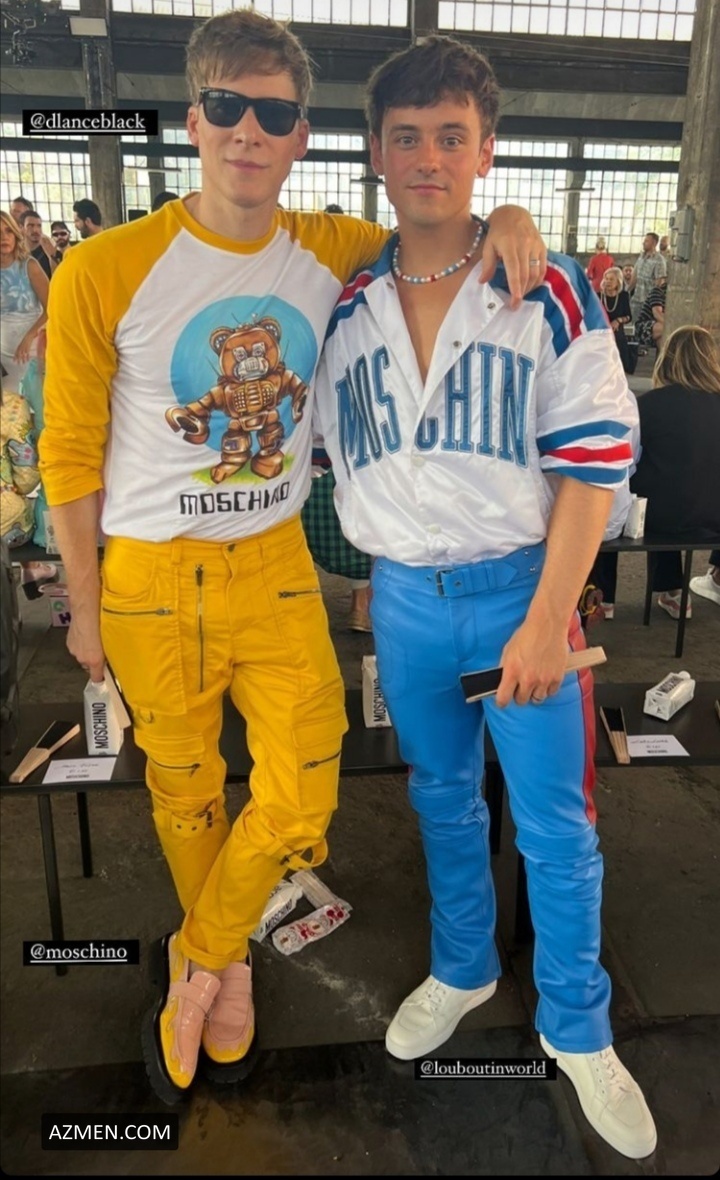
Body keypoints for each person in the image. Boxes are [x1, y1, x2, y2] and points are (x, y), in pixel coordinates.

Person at [39, 7, 548, 1108]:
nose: (249, 131)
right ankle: (227, 976)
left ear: (302, 136)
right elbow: (66, 454)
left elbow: (435, 222)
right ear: (194, 119)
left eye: (274, 114)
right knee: (184, 789)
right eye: (227, 106)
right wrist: (82, 603)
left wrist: (508, 212)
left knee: (304, 791)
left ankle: (197, 952)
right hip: (148, 578)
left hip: (273, 565)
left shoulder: (330, 248)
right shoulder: (103, 268)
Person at [314, 34, 655, 1161]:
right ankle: (462, 966)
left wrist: (549, 618)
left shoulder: (541, 284)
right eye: (406, 137)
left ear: (486, 150)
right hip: (406, 601)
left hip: (521, 587)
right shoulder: (345, 305)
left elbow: (595, 464)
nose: (428, 158)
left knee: (557, 825)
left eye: (450, 137)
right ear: (375, 152)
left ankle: (579, 1022)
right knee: (441, 799)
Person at [630, 326, 720, 620]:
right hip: (714, 516)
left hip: (660, 517)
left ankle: (605, 596)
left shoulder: (648, 405)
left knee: (644, 490)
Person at [0, 211, 56, 592]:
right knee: (9, 448)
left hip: (32, 359)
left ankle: (46, 531)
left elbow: (53, 308)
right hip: (2, 365)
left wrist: (29, 338)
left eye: (7, 230)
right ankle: (24, 547)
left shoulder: (29, 266)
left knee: (38, 435)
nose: (4, 237)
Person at [599, 266, 632, 372]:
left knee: (617, 336)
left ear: (618, 282)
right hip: (602, 329)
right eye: (606, 279)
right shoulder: (598, 296)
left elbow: (629, 316)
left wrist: (618, 321)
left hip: (617, 330)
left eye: (611, 279)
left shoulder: (623, 296)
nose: (608, 282)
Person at [628, 231, 666, 324]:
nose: (643, 243)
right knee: (634, 324)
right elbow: (635, 276)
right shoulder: (641, 257)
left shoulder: (659, 260)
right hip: (636, 299)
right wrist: (627, 292)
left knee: (645, 325)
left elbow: (659, 282)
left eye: (646, 241)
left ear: (654, 243)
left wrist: (653, 300)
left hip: (648, 302)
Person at [19, 210, 57, 280]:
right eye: (30, 226)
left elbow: (58, 277)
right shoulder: (16, 252)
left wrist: (52, 257)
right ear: (21, 228)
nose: (35, 230)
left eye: (39, 226)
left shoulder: (48, 251)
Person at [634, 275, 666, 350]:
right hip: (645, 327)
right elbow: (657, 314)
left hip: (659, 332)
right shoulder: (657, 291)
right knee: (664, 328)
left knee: (661, 339)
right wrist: (674, 326)